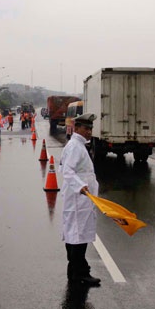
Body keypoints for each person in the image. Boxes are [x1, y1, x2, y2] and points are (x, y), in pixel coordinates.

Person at [59, 113, 101, 286]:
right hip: (79, 199)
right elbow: (67, 171)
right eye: (86, 128)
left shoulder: (78, 145)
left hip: (81, 199)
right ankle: (80, 273)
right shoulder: (75, 146)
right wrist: (81, 187)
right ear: (77, 129)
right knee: (78, 237)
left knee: (76, 236)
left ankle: (75, 271)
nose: (89, 131)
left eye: (91, 128)